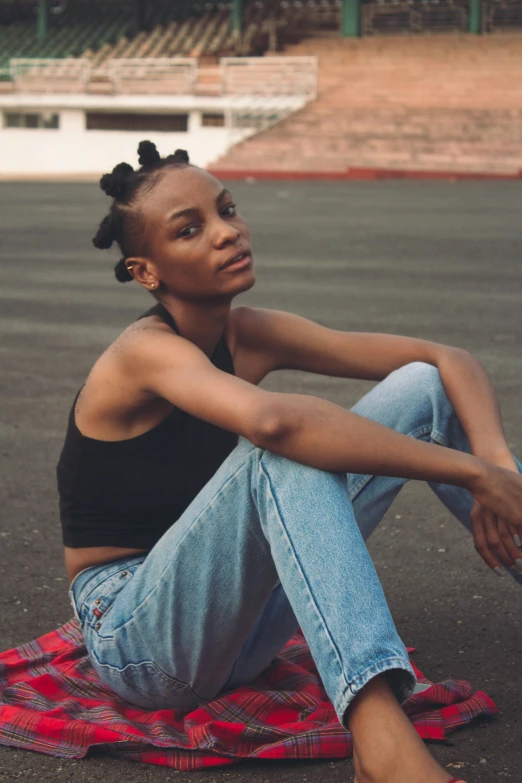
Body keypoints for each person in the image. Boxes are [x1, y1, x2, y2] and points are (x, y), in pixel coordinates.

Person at [59, 140, 522, 783]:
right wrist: (471, 472)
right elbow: (277, 423)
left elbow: (445, 361)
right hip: (137, 639)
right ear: (146, 271)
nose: (227, 233)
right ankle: (383, 747)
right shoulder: (144, 352)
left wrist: (497, 464)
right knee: (279, 448)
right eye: (190, 229)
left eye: (228, 210)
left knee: (419, 387)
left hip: (238, 624)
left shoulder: (250, 333)